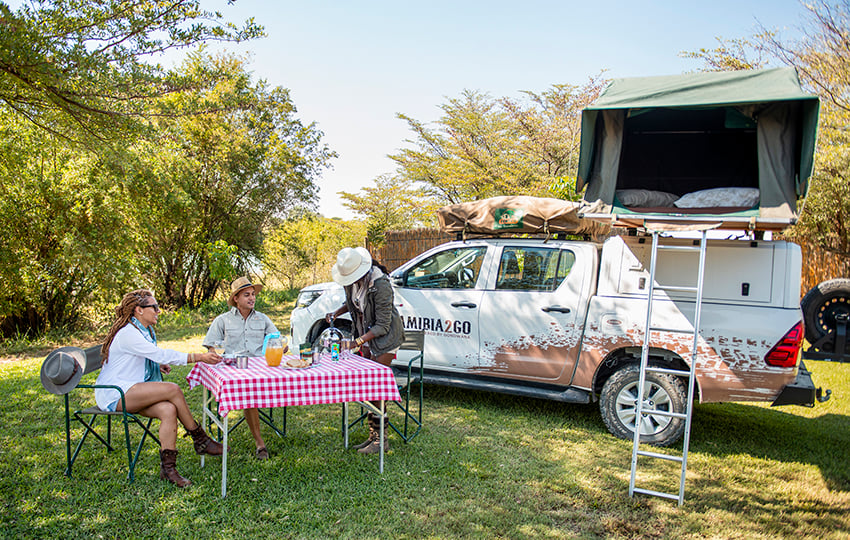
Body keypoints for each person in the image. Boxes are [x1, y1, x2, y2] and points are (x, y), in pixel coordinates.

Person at [95, 289, 224, 488]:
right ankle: (200, 439)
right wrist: (198, 357)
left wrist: (155, 365)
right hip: (115, 393)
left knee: (168, 409)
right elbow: (160, 354)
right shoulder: (129, 333)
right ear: (138, 310)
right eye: (154, 307)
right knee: (172, 389)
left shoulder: (144, 331)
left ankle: (169, 470)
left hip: (132, 389)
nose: (158, 311)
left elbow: (147, 357)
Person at [326, 247, 404, 454]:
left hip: (386, 339)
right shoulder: (350, 282)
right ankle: (374, 436)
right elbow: (352, 303)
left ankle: (381, 441)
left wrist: (357, 342)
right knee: (369, 387)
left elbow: (383, 326)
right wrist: (336, 312)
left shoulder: (380, 284)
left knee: (376, 387)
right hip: (367, 336)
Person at [202, 276, 284, 460]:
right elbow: (211, 346)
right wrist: (214, 353)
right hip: (234, 369)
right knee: (250, 393)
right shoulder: (223, 320)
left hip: (261, 368)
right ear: (236, 299)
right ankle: (260, 444)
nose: (252, 298)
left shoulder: (263, 319)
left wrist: (280, 345)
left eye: (253, 294)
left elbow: (277, 339)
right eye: (246, 295)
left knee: (282, 380)